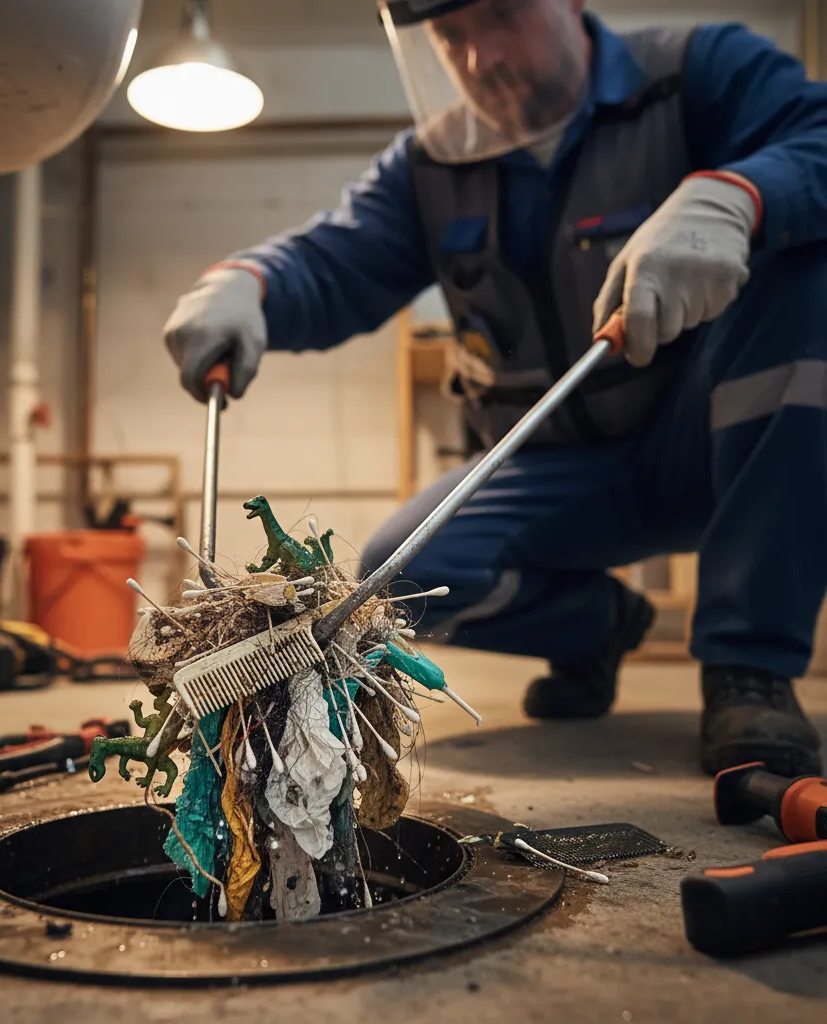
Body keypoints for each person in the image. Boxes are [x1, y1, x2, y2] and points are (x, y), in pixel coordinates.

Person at [162, 0, 827, 777]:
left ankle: (749, 664)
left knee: (810, 266)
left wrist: (741, 195)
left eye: (502, 15)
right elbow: (336, 259)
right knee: (405, 572)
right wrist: (250, 283)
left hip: (717, 445)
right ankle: (598, 628)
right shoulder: (434, 165)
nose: (479, 60)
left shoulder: (696, 75)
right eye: (451, 36)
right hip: (558, 472)